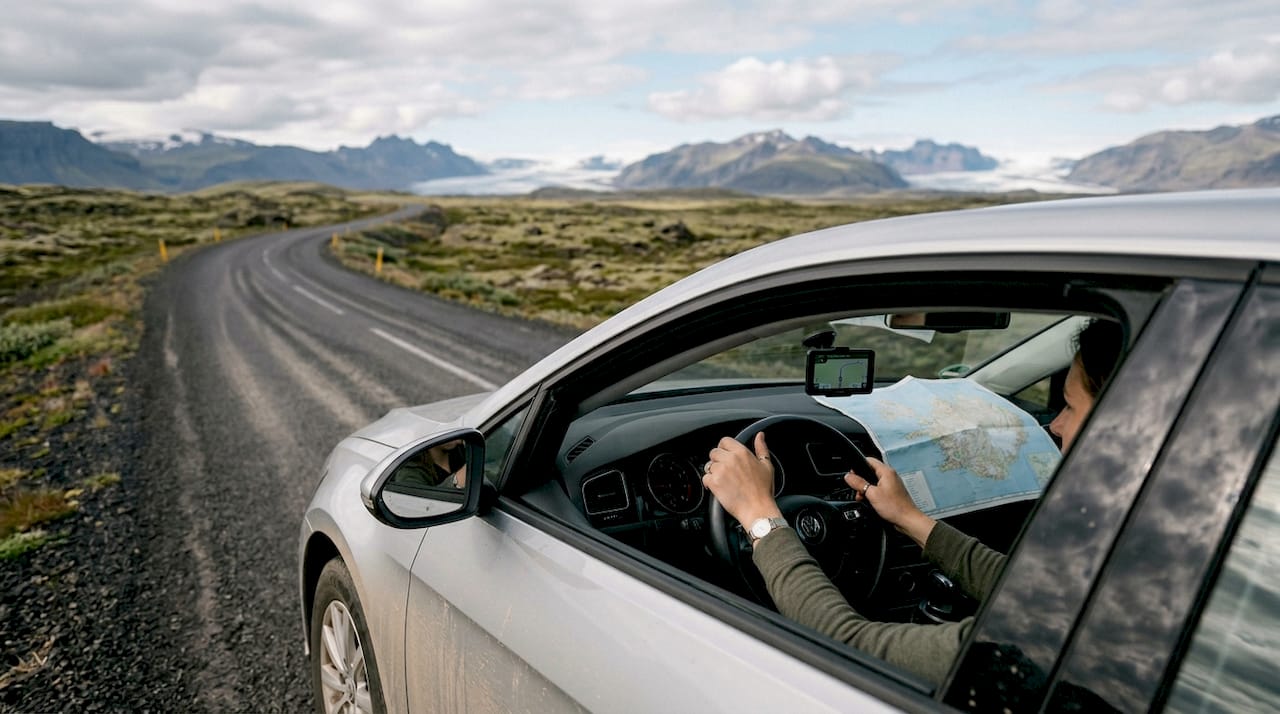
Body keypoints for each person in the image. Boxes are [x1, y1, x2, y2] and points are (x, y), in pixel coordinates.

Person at [702, 319, 1124, 685]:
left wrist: (760, 517)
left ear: (1127, 425)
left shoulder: (1045, 640)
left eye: (1068, 405)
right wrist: (907, 518)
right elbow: (1026, 588)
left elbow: (849, 645)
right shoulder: (1133, 567)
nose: (1055, 424)